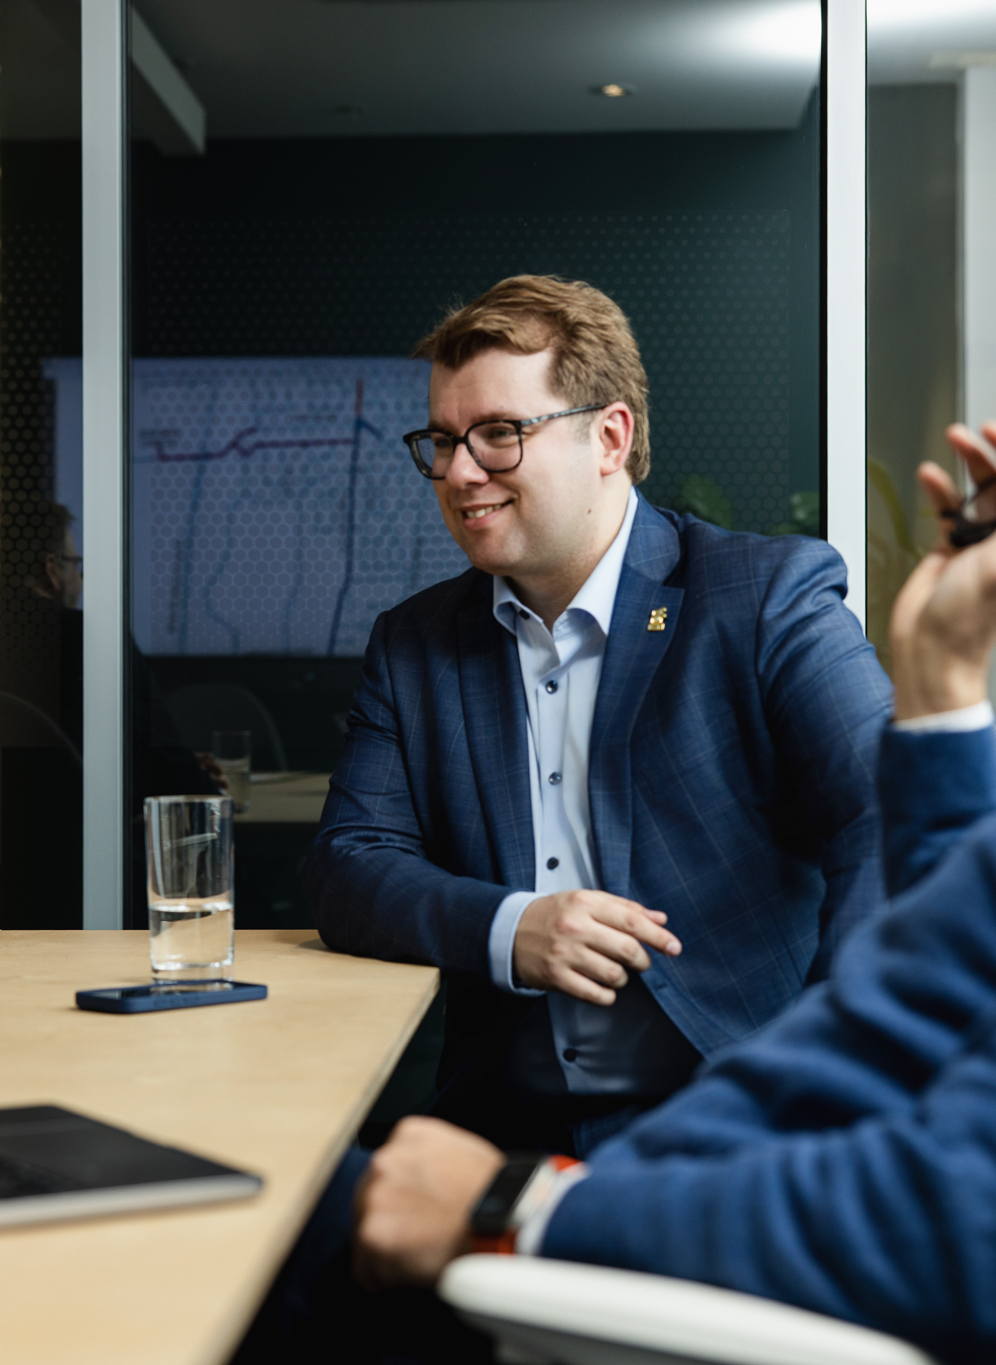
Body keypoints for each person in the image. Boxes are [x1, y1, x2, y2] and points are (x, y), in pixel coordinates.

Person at [343, 160, 996, 1360]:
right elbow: (957, 976)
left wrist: (515, 1208)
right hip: (704, 1156)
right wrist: (943, 684)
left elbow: (974, 1217)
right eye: (445, 441)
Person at [309, 275, 895, 1158]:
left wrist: (820, 1069)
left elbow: (892, 815)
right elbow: (349, 868)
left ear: (609, 437)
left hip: (726, 1108)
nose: (462, 472)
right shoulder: (416, 643)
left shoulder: (763, 597)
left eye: (500, 434)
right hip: (496, 1112)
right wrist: (516, 928)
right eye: (443, 441)